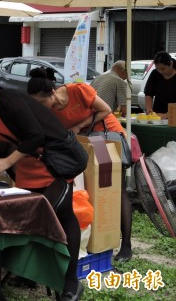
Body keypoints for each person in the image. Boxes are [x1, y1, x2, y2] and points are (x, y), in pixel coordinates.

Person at [0, 70, 84, 301]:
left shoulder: (8, 101)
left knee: (61, 216)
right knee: (28, 218)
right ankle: (31, 272)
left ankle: (70, 283)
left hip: (55, 162)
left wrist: (6, 161)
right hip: (28, 166)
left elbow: (36, 136)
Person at [27, 67, 133, 262]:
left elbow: (106, 110)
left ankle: (126, 244)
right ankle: (97, 238)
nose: (42, 107)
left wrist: (78, 126)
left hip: (106, 138)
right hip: (84, 144)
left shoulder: (77, 90)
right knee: (94, 190)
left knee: (116, 188)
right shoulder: (48, 111)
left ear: (52, 92)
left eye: (43, 102)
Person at [143, 51, 176, 117]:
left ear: (171, 64)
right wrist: (149, 110)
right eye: (157, 68)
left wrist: (168, 115)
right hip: (158, 114)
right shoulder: (155, 74)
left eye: (163, 69)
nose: (160, 71)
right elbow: (148, 94)